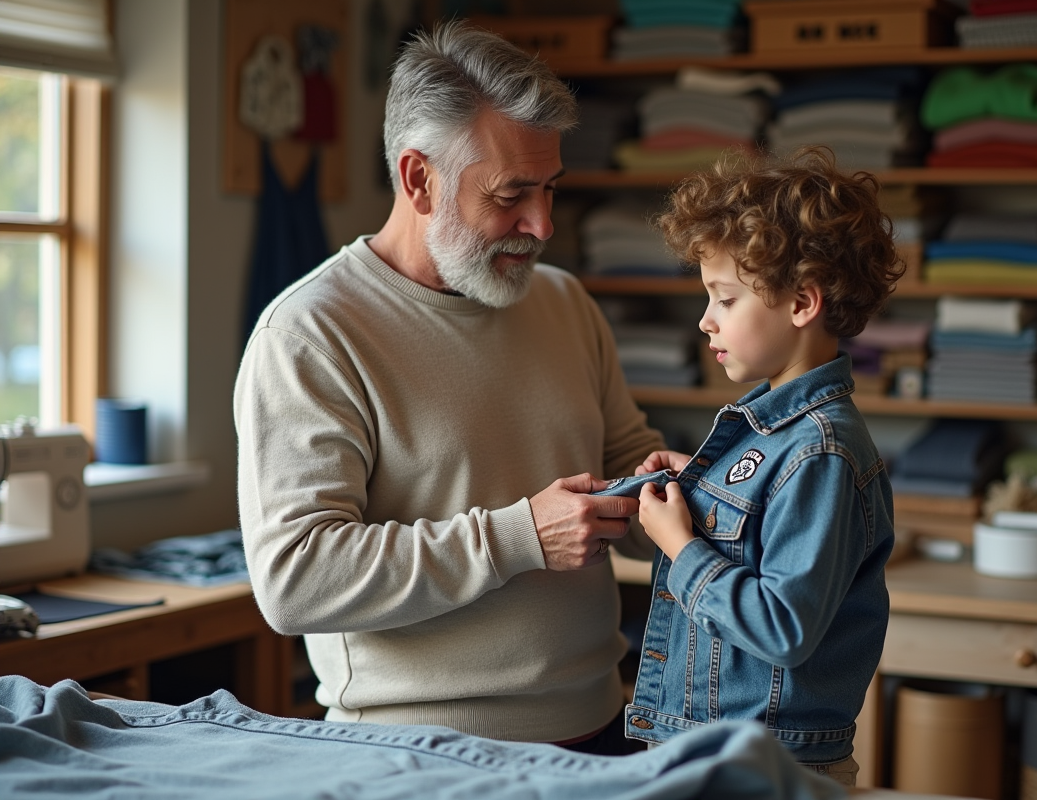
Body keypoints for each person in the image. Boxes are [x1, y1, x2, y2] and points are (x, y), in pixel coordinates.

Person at [232, 21, 665, 755]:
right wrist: (520, 537)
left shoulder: (565, 303)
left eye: (550, 189)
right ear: (418, 179)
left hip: (605, 732)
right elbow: (295, 580)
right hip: (419, 759)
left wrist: (681, 493)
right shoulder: (309, 335)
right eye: (511, 194)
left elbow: (628, 463)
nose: (542, 225)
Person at [620, 146, 903, 784]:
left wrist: (680, 546)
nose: (705, 321)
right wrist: (703, 487)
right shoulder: (780, 433)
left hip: (770, 768)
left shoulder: (822, 452)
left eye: (724, 299)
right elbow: (762, 522)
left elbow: (782, 628)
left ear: (802, 302)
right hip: (722, 752)